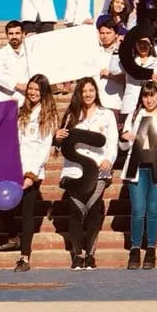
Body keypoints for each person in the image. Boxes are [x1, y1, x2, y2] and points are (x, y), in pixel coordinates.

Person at [0, 74, 59, 270]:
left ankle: (25, 257)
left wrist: (31, 175)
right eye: (30, 88)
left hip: (32, 170)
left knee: (27, 212)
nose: (32, 92)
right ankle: (14, 236)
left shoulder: (48, 114)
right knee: (1, 205)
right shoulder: (21, 111)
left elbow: (44, 147)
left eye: (37, 90)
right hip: (14, 166)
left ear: (44, 92)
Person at [55, 77, 118, 270]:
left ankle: (90, 254)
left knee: (92, 211)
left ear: (96, 92)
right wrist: (56, 137)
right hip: (75, 171)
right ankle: (77, 254)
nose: (88, 94)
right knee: (75, 213)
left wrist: (109, 159)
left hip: (98, 170)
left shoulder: (105, 114)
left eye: (91, 90)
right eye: (84, 91)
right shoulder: (71, 115)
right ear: (79, 94)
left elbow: (112, 140)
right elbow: (62, 142)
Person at [120, 81, 157, 270]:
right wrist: (125, 138)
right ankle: (135, 247)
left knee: (153, 209)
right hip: (137, 167)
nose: (149, 99)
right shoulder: (135, 116)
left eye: (152, 95)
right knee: (137, 209)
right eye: (145, 95)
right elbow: (123, 145)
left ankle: (151, 248)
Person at [0, 20, 30, 105]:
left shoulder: (30, 52)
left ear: (23, 34)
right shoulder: (0, 53)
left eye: (17, 33)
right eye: (11, 34)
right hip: (5, 98)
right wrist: (19, 85)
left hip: (26, 98)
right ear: (7, 35)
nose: (14, 36)